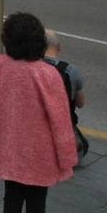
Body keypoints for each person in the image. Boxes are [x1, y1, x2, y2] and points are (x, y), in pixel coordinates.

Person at [0, 12, 77, 213]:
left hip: (7, 147)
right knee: (37, 203)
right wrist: (66, 156)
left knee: (11, 197)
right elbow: (61, 119)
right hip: (40, 152)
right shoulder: (48, 74)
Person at [43, 30, 89, 164]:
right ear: (59, 48)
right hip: (62, 127)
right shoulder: (70, 70)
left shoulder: (31, 67)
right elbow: (81, 103)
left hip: (35, 128)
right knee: (84, 146)